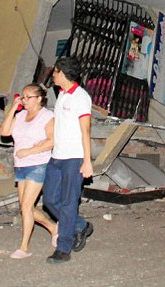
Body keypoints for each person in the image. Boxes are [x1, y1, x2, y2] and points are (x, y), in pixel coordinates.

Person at [42, 56, 94, 264]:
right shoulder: (62, 93)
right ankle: (80, 225)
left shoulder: (81, 97)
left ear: (62, 73)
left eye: (54, 72)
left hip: (74, 157)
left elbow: (86, 129)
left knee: (68, 203)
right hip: (57, 156)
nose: (52, 75)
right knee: (49, 200)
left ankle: (63, 248)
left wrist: (87, 160)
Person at [0, 83, 58, 259]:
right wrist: (13, 109)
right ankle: (53, 228)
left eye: (28, 97)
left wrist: (30, 151)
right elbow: (4, 131)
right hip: (21, 165)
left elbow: (53, 140)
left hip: (38, 164)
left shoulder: (47, 117)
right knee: (26, 207)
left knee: (26, 206)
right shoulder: (21, 115)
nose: (24, 100)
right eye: (23, 97)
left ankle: (24, 247)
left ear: (39, 99)